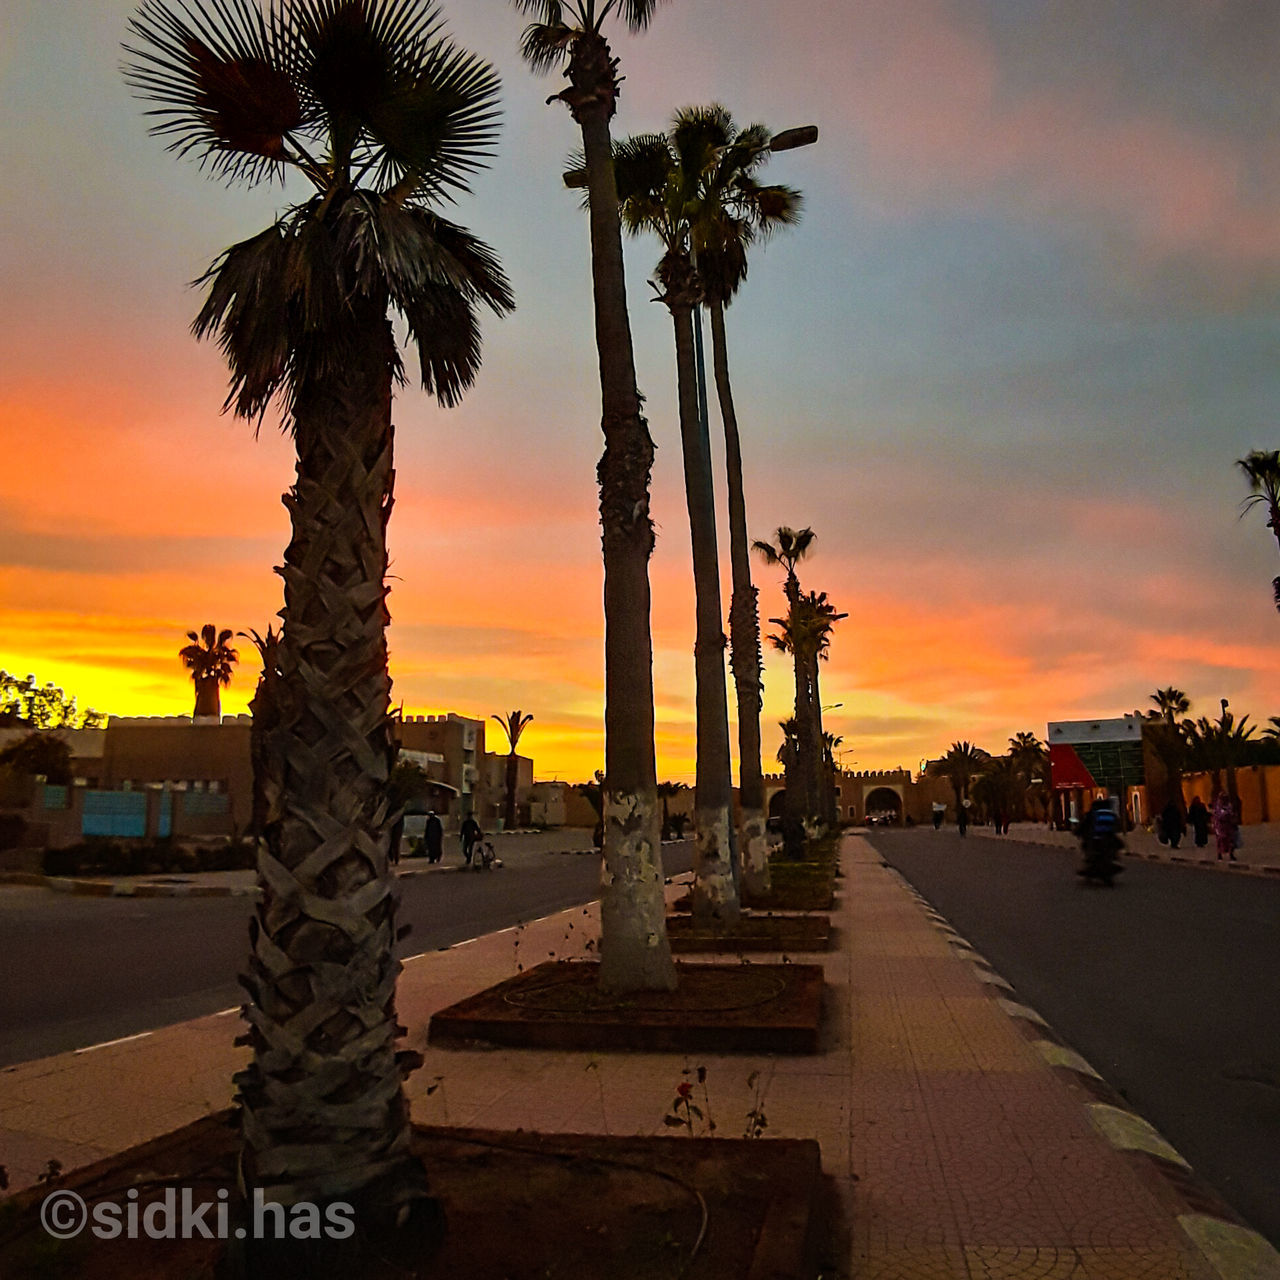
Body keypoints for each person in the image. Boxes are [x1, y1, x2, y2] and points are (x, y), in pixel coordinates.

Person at [1211, 791, 1238, 861]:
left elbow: (1232, 813)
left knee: (1231, 840)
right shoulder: (1218, 806)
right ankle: (1219, 854)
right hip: (1220, 826)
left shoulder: (1229, 806)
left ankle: (1231, 854)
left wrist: (1232, 817)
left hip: (1228, 825)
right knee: (1221, 840)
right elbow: (1217, 816)